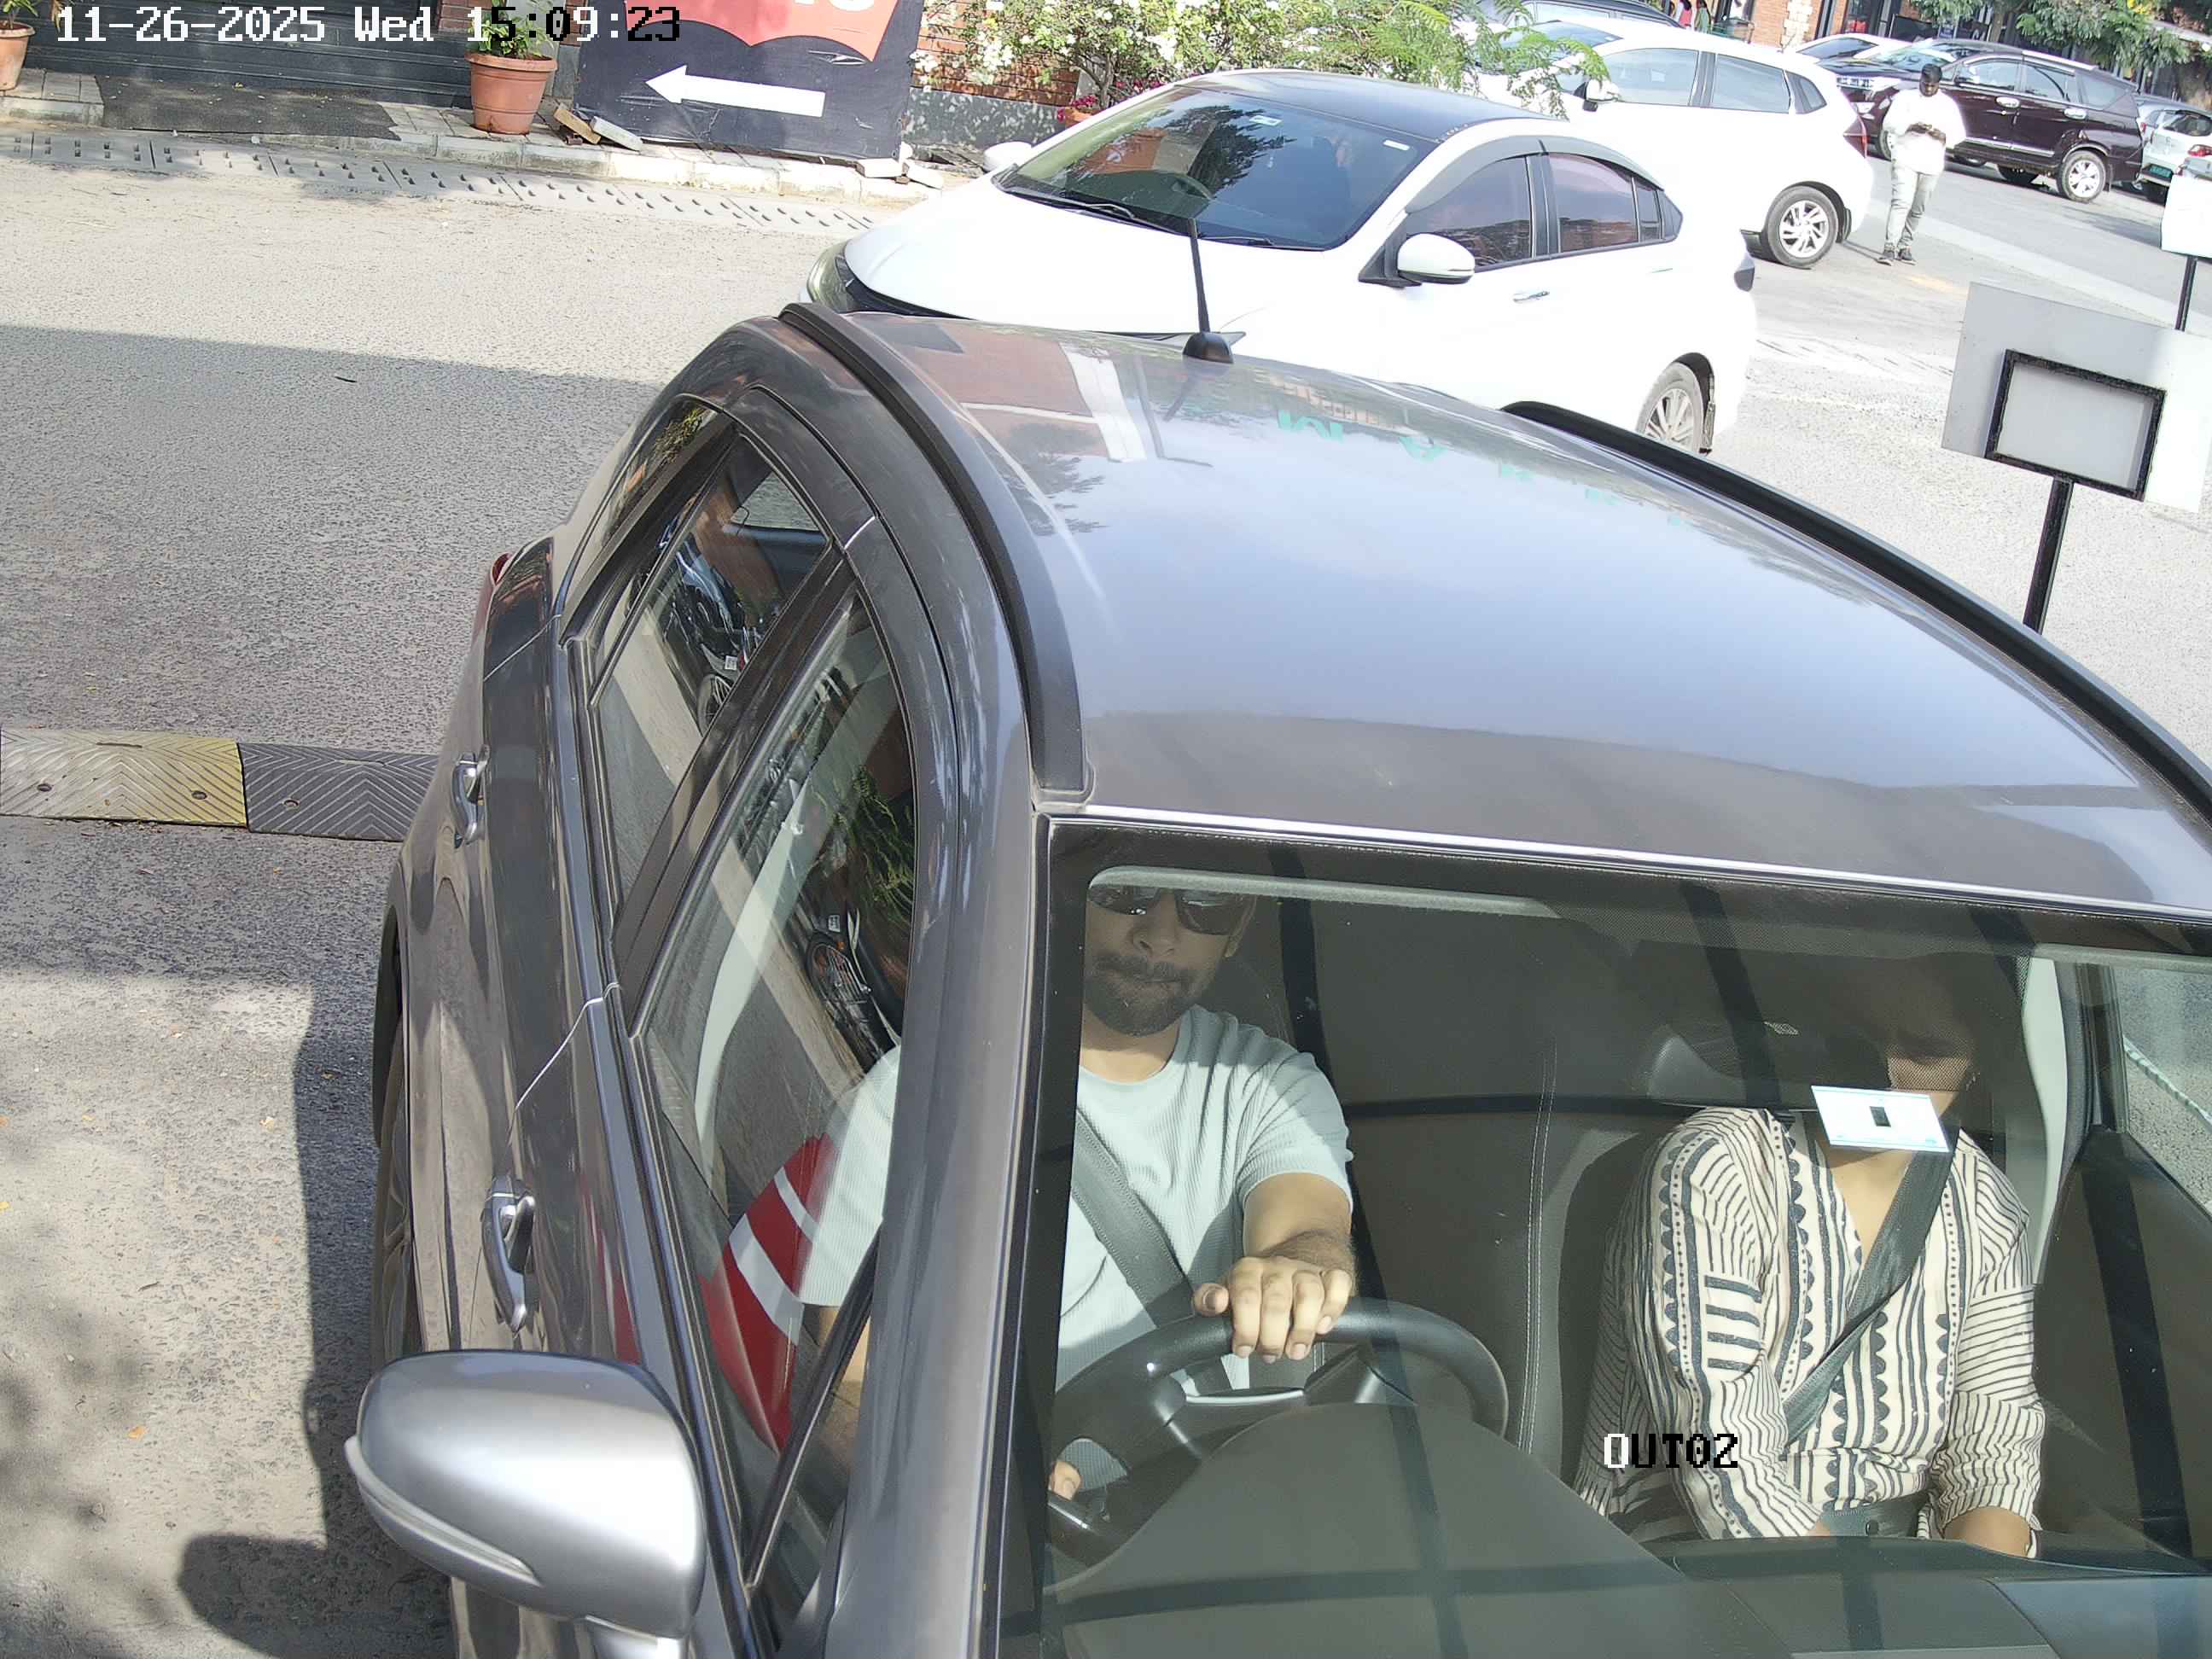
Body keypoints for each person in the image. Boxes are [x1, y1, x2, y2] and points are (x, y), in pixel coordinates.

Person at [796, 873, 1358, 1500]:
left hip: (1231, 1517)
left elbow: (1308, 1231)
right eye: (1130, 891)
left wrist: (1298, 1270)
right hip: (1002, 1535)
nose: (1159, 934)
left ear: (1237, 930)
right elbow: (851, 1386)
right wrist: (954, 1481)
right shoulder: (918, 1102)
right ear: (1073, 896)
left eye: (1205, 904)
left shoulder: (1273, 1089)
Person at [1575, 954, 2043, 1555]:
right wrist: (1854, 1600)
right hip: (1682, 1547)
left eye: (1924, 1052)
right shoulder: (1716, 1169)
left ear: (1976, 1066)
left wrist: (1980, 1590)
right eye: (1857, 1039)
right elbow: (1717, 1454)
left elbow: (1995, 1450)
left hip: (1907, 1565)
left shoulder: (1984, 1203)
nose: (1884, 1077)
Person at [1879, 64, 1967, 265]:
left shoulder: (1947, 105)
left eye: (1932, 86)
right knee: (1901, 202)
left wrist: (1942, 135)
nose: (1928, 89)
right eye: (1925, 84)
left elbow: (1959, 134)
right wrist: (1911, 127)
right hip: (1905, 157)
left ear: (1939, 84)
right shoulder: (1905, 98)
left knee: (1918, 208)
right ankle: (1889, 246)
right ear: (1920, 80)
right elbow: (1888, 123)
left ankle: (1905, 246)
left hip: (1931, 162)